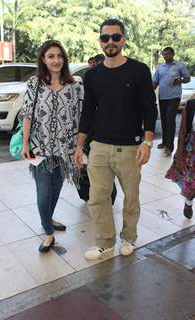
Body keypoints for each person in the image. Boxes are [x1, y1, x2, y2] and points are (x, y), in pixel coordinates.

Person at [74, 18, 157, 260]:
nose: (110, 42)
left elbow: (149, 109)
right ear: (100, 41)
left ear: (124, 39)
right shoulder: (92, 75)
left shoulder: (139, 70)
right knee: (97, 197)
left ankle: (129, 238)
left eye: (115, 37)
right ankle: (105, 242)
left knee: (131, 198)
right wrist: (80, 146)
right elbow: (88, 112)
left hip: (130, 148)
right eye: (105, 37)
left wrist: (148, 142)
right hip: (98, 146)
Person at [20, 40, 83, 253]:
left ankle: (48, 217)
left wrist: (80, 147)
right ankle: (48, 233)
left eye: (59, 56)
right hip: (40, 148)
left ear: (64, 59)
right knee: (43, 192)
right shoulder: (34, 83)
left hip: (65, 149)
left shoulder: (75, 85)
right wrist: (26, 142)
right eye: (51, 56)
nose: (56, 60)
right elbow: (27, 115)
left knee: (55, 190)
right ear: (43, 60)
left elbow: (82, 117)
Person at [153, 47, 190, 156]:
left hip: (174, 97)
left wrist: (180, 80)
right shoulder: (160, 67)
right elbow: (155, 82)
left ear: (173, 54)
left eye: (167, 54)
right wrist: (149, 93)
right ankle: (164, 142)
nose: (165, 56)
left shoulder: (179, 65)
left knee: (170, 119)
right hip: (162, 97)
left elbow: (187, 78)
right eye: (164, 54)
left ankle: (169, 147)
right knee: (164, 120)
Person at [166, 99, 195, 218]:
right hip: (192, 151)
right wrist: (179, 156)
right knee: (191, 182)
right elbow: (183, 131)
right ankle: (189, 202)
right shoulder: (191, 105)